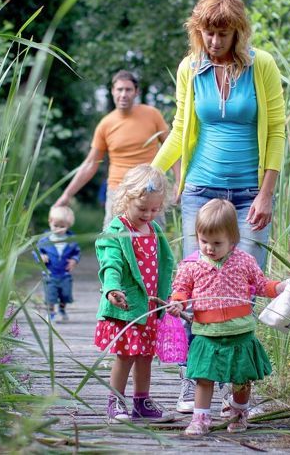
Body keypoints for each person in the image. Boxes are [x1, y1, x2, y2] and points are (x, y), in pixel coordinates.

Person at [151, 0, 287, 414]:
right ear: (199, 31)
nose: (214, 41)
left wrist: (266, 194)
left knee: (244, 290)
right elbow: (179, 128)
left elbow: (278, 130)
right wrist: (152, 174)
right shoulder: (190, 69)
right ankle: (195, 382)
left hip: (249, 194)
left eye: (223, 33)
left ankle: (239, 390)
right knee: (196, 290)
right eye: (208, 32)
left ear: (237, 32)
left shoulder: (261, 65)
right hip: (202, 192)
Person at [166, 199, 286, 436]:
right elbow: (181, 289)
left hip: (239, 331)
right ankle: (201, 418)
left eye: (217, 243)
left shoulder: (244, 261)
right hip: (206, 332)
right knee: (203, 376)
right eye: (204, 241)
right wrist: (177, 303)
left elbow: (260, 285)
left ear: (233, 239)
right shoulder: (191, 265)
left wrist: (278, 288)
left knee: (241, 378)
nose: (209, 248)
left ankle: (239, 413)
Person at [93, 165, 175, 423]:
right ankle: (115, 400)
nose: (149, 215)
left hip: (149, 307)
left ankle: (142, 400)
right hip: (127, 306)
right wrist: (112, 289)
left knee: (145, 356)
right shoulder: (117, 231)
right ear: (125, 199)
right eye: (142, 209)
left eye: (155, 210)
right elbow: (111, 263)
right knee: (126, 355)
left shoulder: (154, 231)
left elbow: (164, 265)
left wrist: (169, 296)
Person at [55, 70, 173, 228]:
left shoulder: (152, 115)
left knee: (153, 241)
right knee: (111, 241)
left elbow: (172, 147)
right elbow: (90, 164)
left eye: (128, 90)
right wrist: (66, 195)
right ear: (112, 91)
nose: (123, 94)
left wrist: (179, 181)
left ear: (136, 92)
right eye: (119, 89)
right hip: (118, 190)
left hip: (149, 188)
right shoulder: (105, 124)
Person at [35, 205, 81, 322]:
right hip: (50, 273)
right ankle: (51, 312)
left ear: (68, 226)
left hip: (65, 274)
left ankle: (62, 309)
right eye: (55, 226)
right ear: (50, 222)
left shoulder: (71, 240)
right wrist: (40, 256)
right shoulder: (45, 239)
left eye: (62, 227)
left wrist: (74, 260)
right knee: (50, 295)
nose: (58, 229)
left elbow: (77, 252)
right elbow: (36, 251)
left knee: (65, 295)